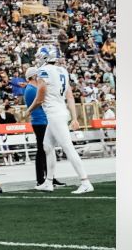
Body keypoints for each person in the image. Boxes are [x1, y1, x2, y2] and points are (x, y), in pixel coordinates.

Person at [29, 46, 93, 193]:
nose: (38, 58)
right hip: (61, 112)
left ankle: (85, 181)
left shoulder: (43, 71)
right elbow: (70, 96)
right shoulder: (62, 70)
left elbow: (40, 97)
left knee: (67, 147)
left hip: (54, 114)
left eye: (40, 56)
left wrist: (28, 110)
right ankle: (49, 182)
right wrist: (74, 117)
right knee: (47, 146)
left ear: (45, 57)